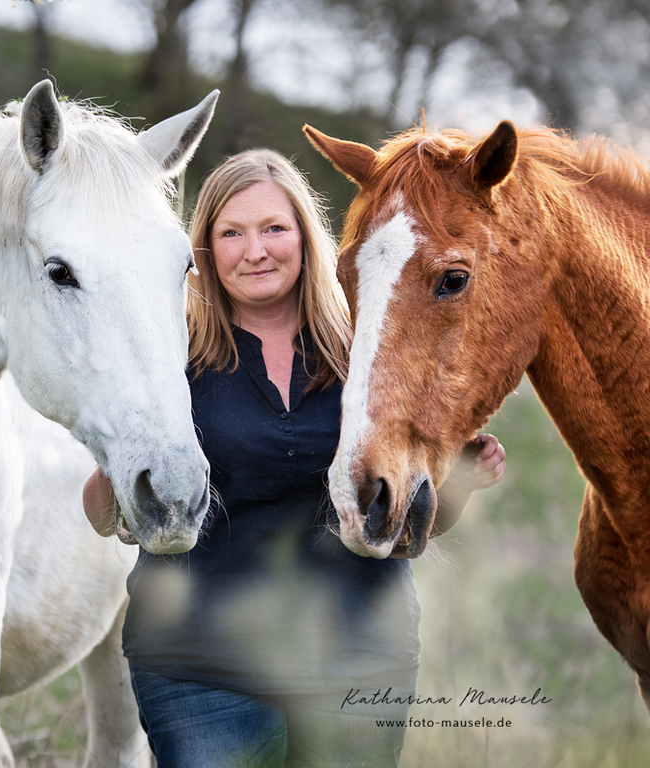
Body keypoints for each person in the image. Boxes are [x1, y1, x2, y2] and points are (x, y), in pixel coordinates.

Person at [83, 149, 506, 768]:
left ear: (306, 238)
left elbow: (401, 524)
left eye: (273, 228)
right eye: (231, 233)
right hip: (201, 665)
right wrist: (115, 461)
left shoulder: (366, 353)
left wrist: (460, 483)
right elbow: (103, 516)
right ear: (204, 250)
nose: (254, 250)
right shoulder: (169, 359)